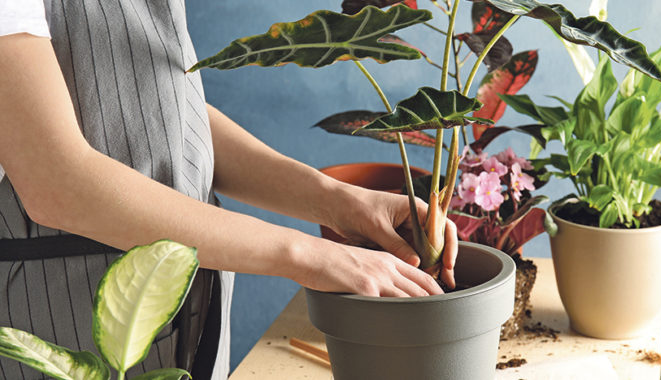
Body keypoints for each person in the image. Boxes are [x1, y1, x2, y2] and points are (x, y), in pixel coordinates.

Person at [0, 1, 458, 379]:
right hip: (65, 304)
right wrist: (308, 255)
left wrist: (338, 201)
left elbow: (167, 116)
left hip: (186, 293)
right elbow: (56, 181)